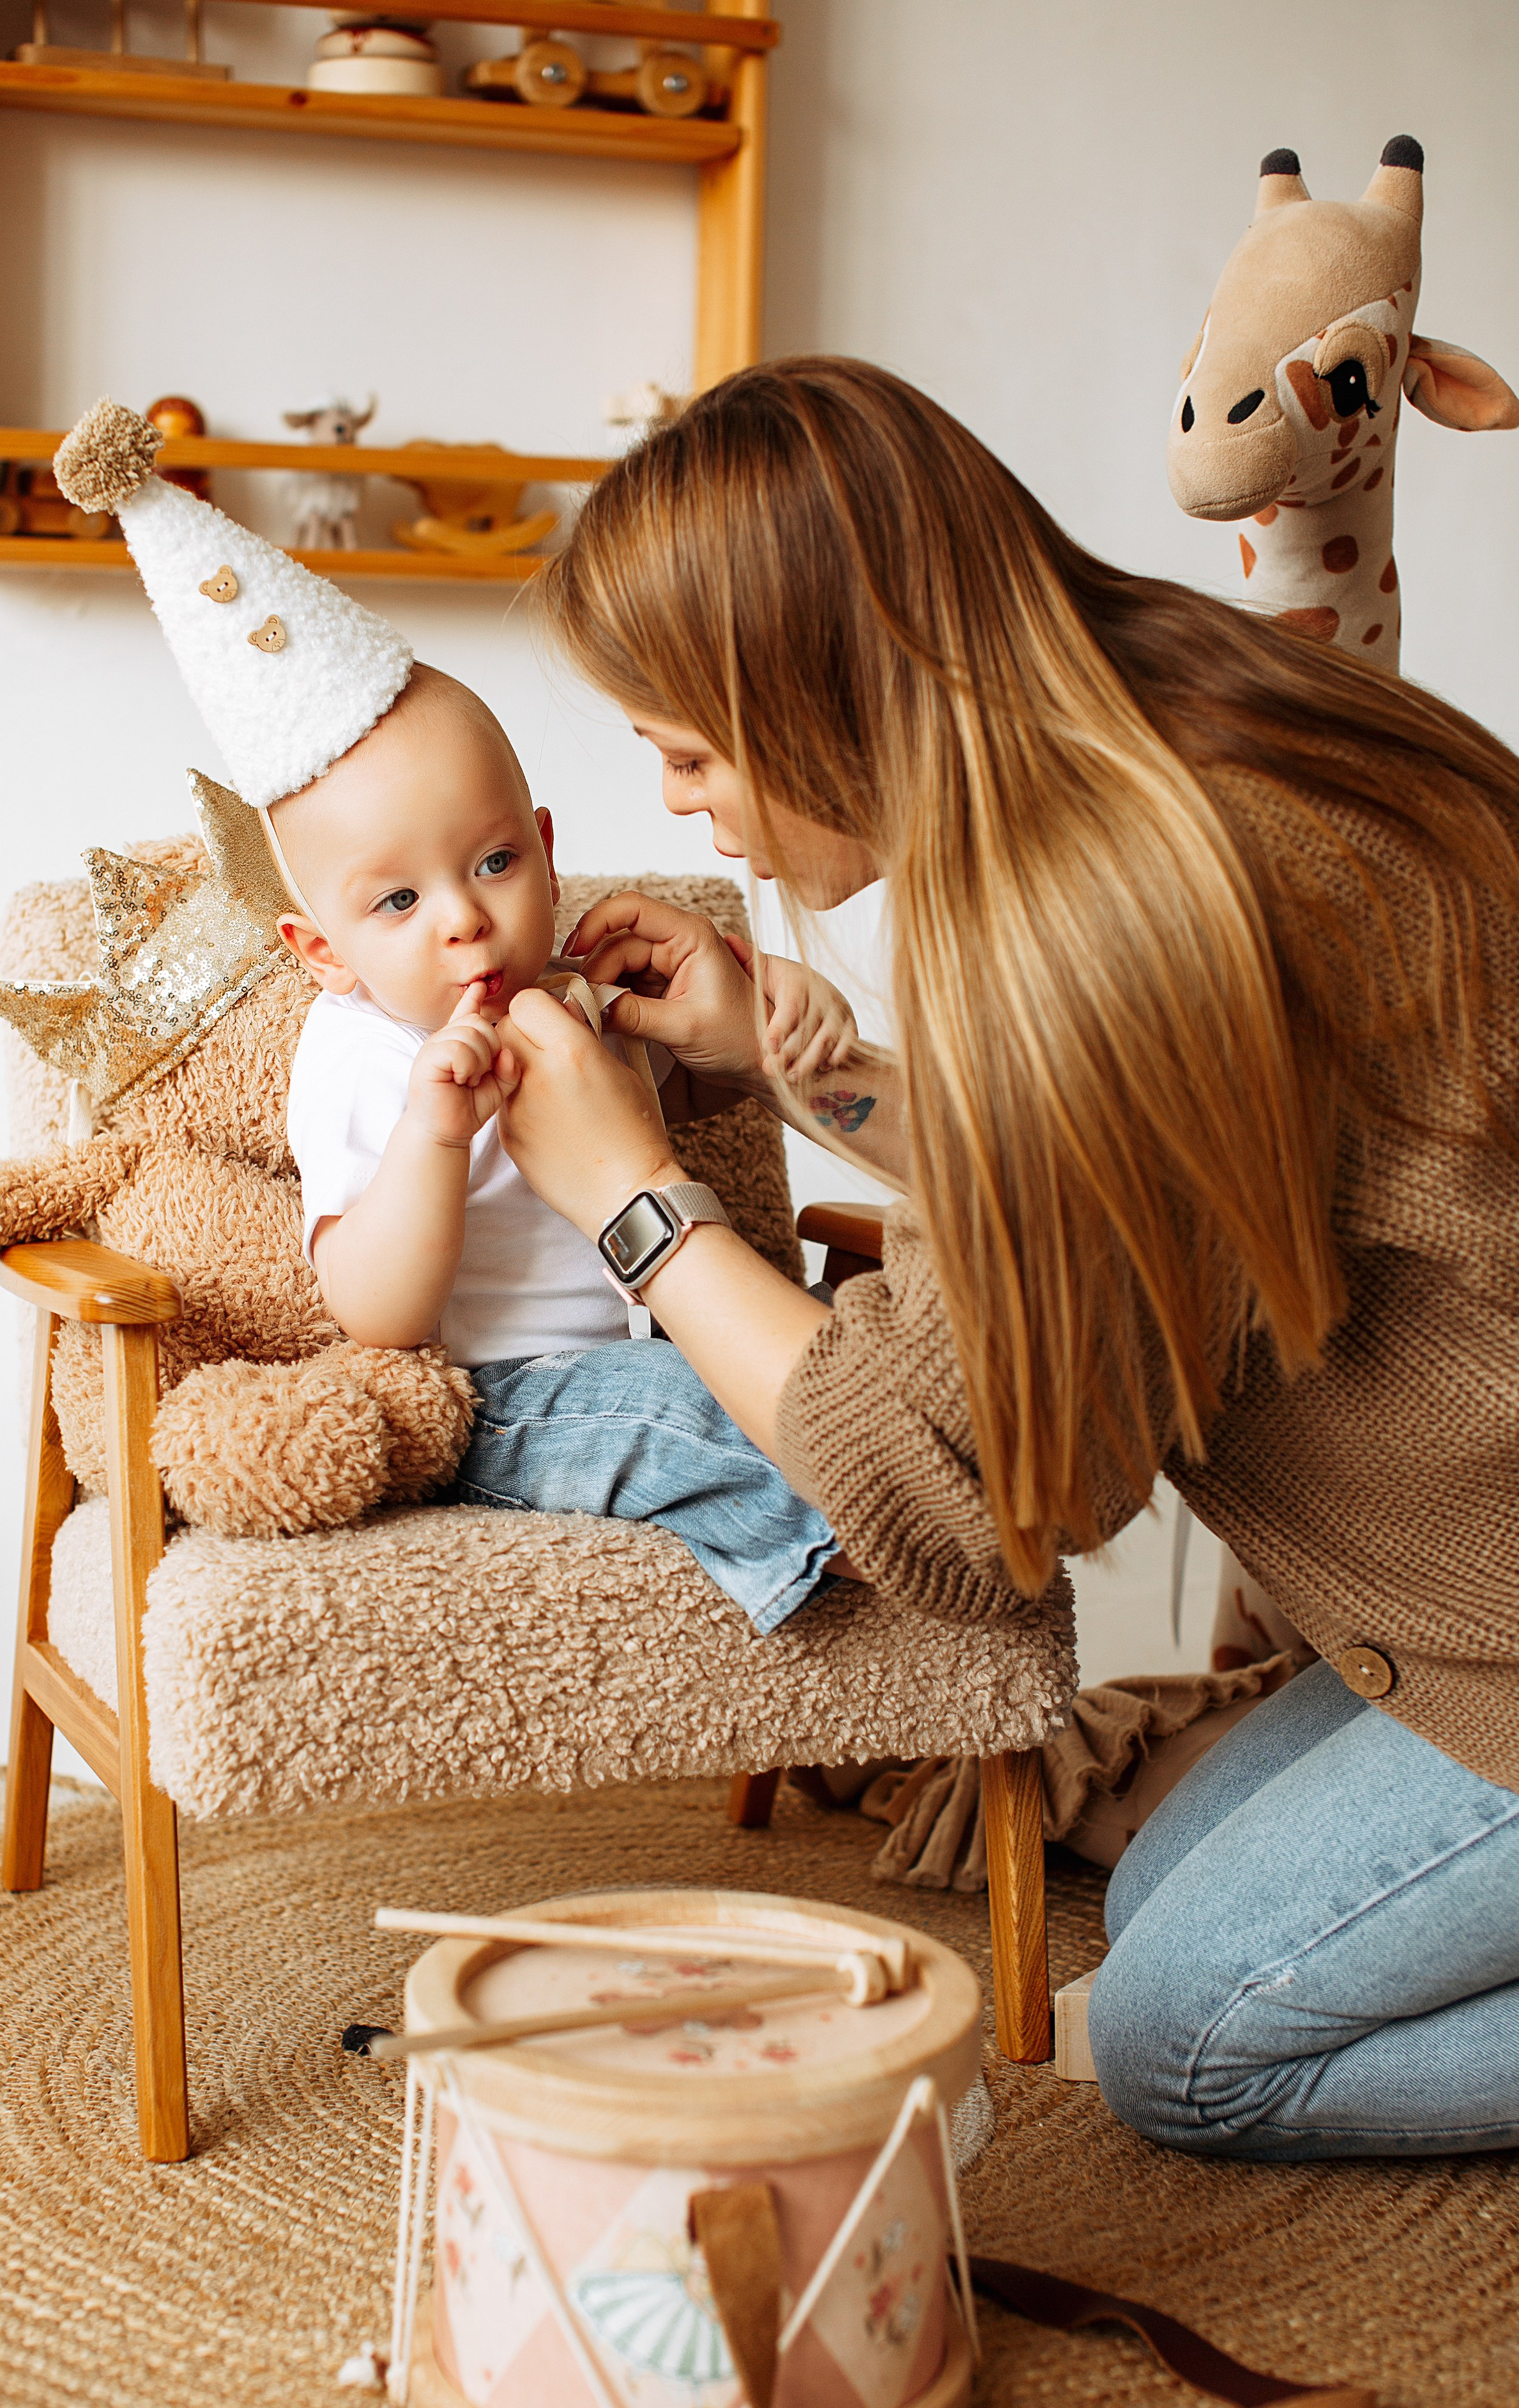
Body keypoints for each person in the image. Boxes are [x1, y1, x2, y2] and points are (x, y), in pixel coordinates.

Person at [481, 355, 1519, 2163]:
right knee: (1170, 1886)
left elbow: (961, 1494)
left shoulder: (1105, 920)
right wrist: (806, 1073)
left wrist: (632, 1200)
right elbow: (1142, 1190)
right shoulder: (1187, 718)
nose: (683, 803)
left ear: (818, 687)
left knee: (1184, 2047)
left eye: (689, 749)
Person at [272, 659, 860, 1636]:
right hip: (516, 1394)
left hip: (685, 1335)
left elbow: (694, 1083)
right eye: (399, 902)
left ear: (545, 853)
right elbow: (376, 1313)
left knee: (852, 1340)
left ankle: (892, 1467)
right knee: (683, 1410)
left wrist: (779, 1025)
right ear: (325, 951)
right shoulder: (366, 1056)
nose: (465, 919)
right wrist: (435, 1135)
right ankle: (865, 1525)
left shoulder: (571, 994)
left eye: (494, 862)